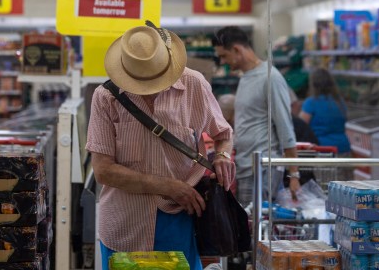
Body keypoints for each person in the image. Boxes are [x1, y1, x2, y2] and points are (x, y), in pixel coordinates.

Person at [86, 23, 235, 270]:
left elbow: (224, 133)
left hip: (181, 218)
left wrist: (221, 155)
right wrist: (168, 186)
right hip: (125, 222)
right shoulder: (106, 98)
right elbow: (103, 170)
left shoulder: (193, 85)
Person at [213, 26, 300, 207]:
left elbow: (285, 127)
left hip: (262, 170)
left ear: (237, 50)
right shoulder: (246, 77)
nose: (222, 62)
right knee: (247, 225)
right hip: (246, 167)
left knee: (254, 227)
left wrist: (294, 175)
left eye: (224, 56)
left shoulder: (270, 78)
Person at [299, 68, 351, 155]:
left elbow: (300, 126)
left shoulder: (311, 103)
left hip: (322, 150)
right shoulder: (340, 102)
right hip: (343, 147)